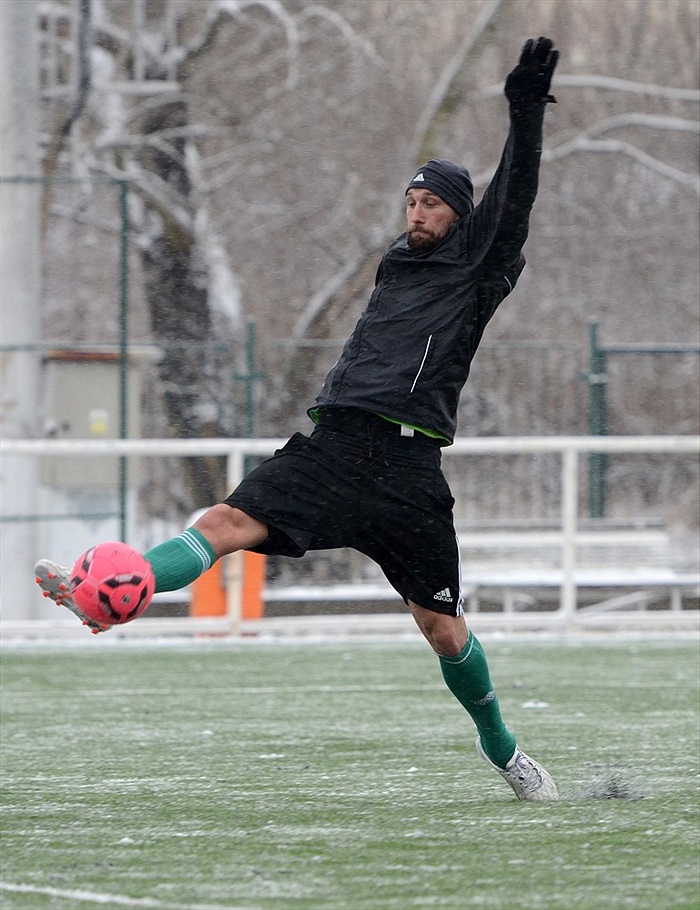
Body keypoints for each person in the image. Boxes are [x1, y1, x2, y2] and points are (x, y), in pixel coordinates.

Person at [36, 38, 560, 801]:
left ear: (462, 217)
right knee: (220, 522)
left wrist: (522, 109)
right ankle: (119, 589)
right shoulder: (397, 262)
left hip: (407, 475)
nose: (417, 213)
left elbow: (514, 197)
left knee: (444, 634)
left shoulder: (479, 267)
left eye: (434, 204)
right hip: (332, 447)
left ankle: (507, 753)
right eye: (412, 200)